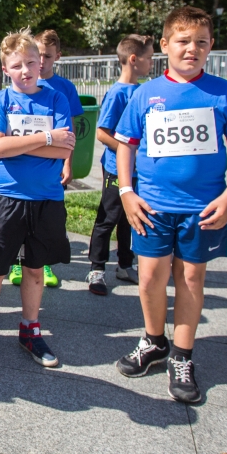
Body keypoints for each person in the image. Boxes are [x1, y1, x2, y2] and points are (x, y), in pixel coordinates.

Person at [115, 6, 227, 404]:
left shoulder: (224, 93)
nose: (192, 49)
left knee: (191, 279)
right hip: (152, 207)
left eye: (201, 42)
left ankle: (182, 354)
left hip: (202, 209)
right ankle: (154, 341)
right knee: (149, 279)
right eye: (183, 41)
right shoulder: (145, 94)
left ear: (211, 46)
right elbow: (126, 144)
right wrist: (126, 192)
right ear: (165, 45)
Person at [0, 30, 73, 366]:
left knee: (35, 270)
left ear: (41, 63)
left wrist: (17, 143)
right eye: (18, 65)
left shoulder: (56, 99)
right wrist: (46, 138)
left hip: (47, 199)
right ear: (5, 69)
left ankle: (30, 329)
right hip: (6, 198)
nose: (26, 70)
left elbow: (65, 147)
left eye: (32, 63)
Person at [86, 34, 154, 295]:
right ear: (133, 59)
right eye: (149, 58)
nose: (152, 63)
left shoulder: (145, 91)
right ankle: (97, 269)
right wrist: (129, 152)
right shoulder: (117, 93)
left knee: (131, 218)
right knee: (109, 217)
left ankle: (125, 264)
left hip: (139, 171)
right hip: (116, 169)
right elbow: (102, 133)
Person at [33, 29, 84, 289]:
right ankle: (20, 260)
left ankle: (44, 263)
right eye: (38, 54)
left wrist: (68, 162)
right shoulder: (23, 81)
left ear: (58, 57)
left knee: (47, 216)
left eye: (48, 56)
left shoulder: (65, 88)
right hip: (28, 163)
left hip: (54, 163)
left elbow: (70, 130)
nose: (42, 61)